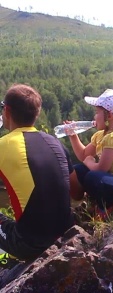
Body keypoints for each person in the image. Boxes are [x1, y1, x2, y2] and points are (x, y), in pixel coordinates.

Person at [0, 84, 75, 268]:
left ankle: (5, 263)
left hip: (29, 243)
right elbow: (77, 193)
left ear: (7, 111)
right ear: (37, 113)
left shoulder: (4, 145)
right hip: (64, 233)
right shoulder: (55, 143)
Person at [68, 88, 113, 219]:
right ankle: (93, 202)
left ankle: (105, 208)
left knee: (92, 177)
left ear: (109, 116)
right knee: (79, 170)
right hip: (112, 181)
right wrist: (73, 136)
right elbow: (84, 155)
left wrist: (90, 162)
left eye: (97, 112)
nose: (95, 116)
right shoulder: (101, 135)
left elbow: (101, 168)